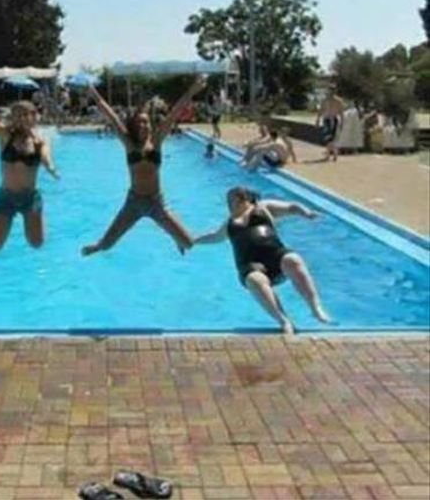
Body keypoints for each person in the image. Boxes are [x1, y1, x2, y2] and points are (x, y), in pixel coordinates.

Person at [81, 77, 204, 256]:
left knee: (189, 243)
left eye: (145, 121)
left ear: (151, 124)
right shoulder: (129, 144)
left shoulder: (157, 141)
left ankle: (176, 238)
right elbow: (112, 117)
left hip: (157, 203)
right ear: (134, 125)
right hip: (134, 203)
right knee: (105, 246)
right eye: (139, 122)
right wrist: (94, 95)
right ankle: (99, 244)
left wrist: (192, 91)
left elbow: (174, 114)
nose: (143, 125)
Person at [193, 187, 330, 334]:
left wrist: (306, 212)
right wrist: (192, 241)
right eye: (229, 201)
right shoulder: (229, 223)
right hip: (250, 264)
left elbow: (291, 207)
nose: (230, 204)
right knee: (255, 280)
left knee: (293, 259)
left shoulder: (263, 207)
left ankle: (315, 307)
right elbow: (214, 236)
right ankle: (283, 320)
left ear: (245, 199)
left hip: (276, 256)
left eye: (233, 200)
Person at [0, 67, 59, 250]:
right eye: (18, 115)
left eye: (26, 115)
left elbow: (46, 158)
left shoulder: (39, 142)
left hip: (30, 197)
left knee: (37, 243)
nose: (22, 119)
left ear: (34, 117)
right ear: (13, 118)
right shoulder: (5, 135)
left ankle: (38, 216)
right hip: (6, 196)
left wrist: (51, 167)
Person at [316, 86, 345, 162]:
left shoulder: (338, 101)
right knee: (328, 138)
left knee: (331, 137)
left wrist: (342, 122)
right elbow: (321, 110)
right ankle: (332, 154)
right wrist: (318, 119)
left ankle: (332, 154)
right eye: (329, 90)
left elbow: (341, 112)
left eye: (332, 91)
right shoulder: (325, 100)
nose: (330, 92)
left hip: (333, 120)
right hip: (326, 119)